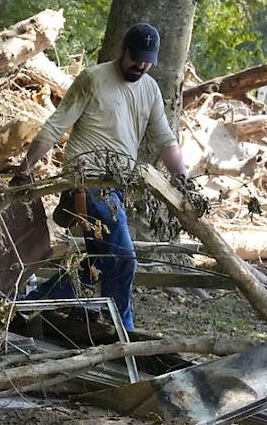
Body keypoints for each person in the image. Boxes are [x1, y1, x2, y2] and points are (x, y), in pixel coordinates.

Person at [13, 22, 187, 331]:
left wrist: (183, 180)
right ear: (124, 51)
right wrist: (25, 168)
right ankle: (123, 330)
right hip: (87, 183)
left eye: (148, 61)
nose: (142, 66)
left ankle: (29, 304)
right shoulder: (92, 79)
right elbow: (55, 126)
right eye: (136, 58)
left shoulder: (150, 89)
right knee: (123, 260)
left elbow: (166, 140)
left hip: (117, 186)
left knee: (98, 262)